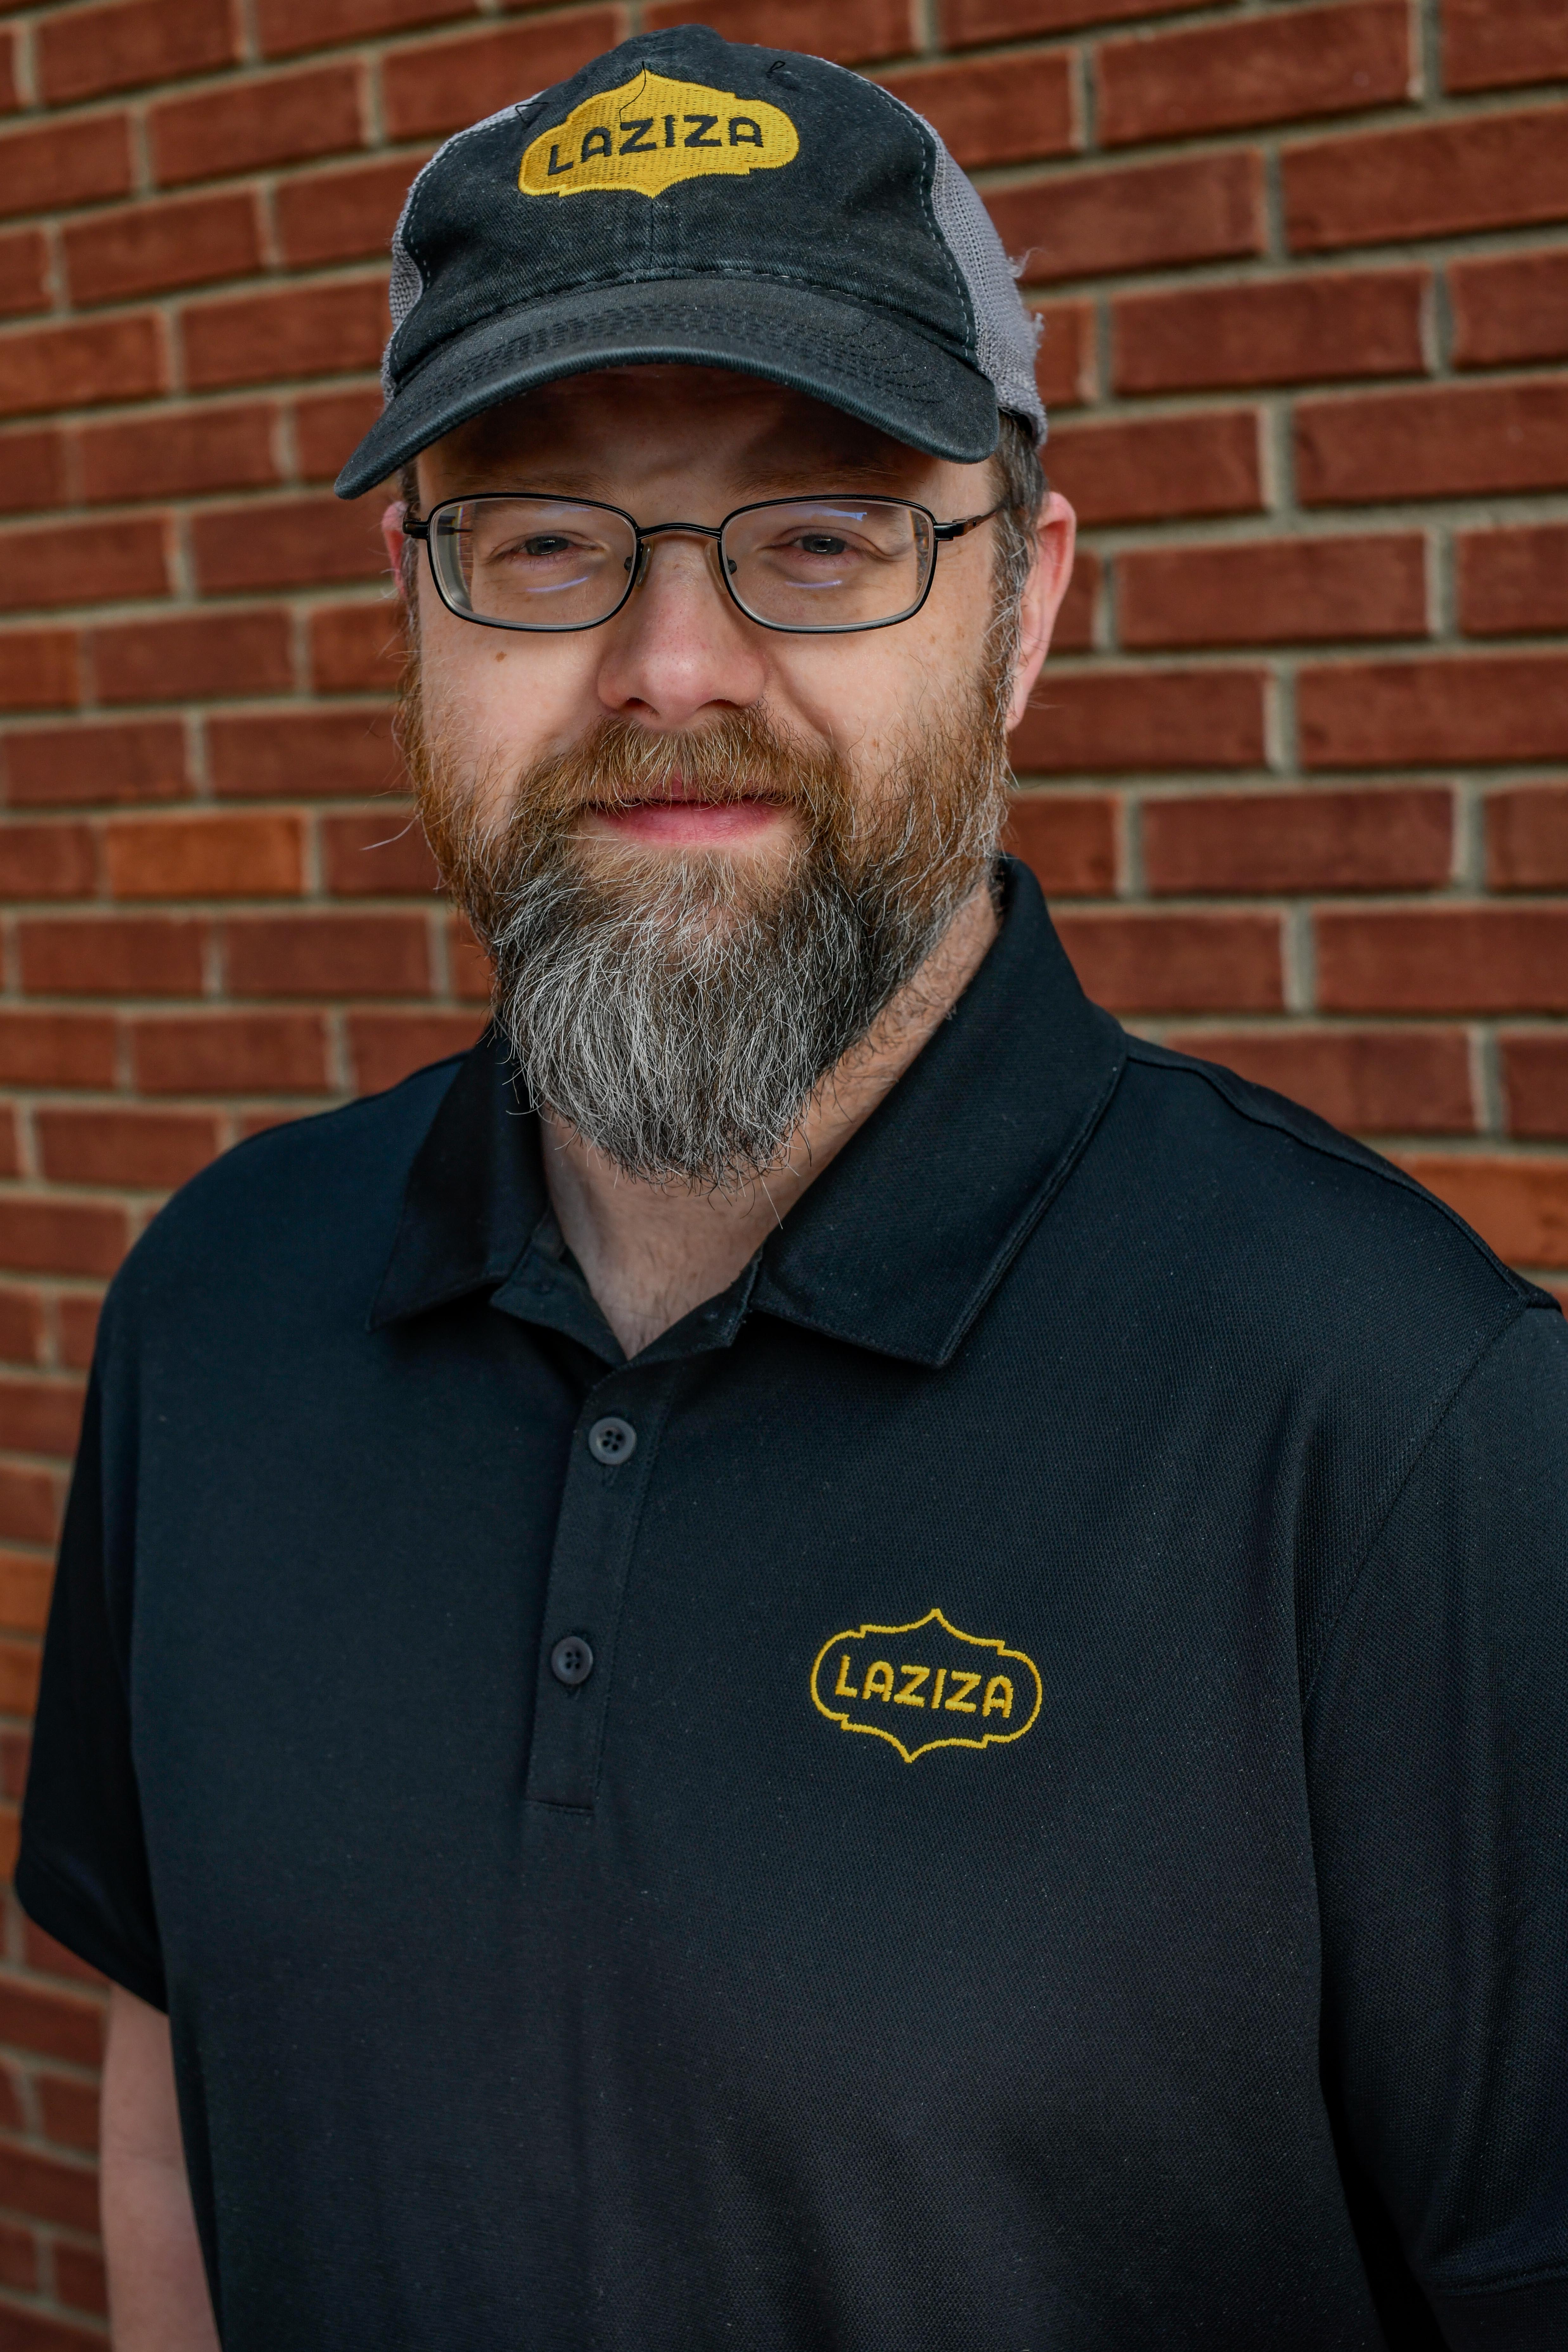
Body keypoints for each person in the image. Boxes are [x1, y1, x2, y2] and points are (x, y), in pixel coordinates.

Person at [17, 25, 1568, 2352]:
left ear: (1022, 605)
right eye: (544, 538)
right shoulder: (217, 1310)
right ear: (414, 607)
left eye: (824, 535)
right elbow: (176, 2082)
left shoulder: (1396, 1420)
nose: (669, 665)